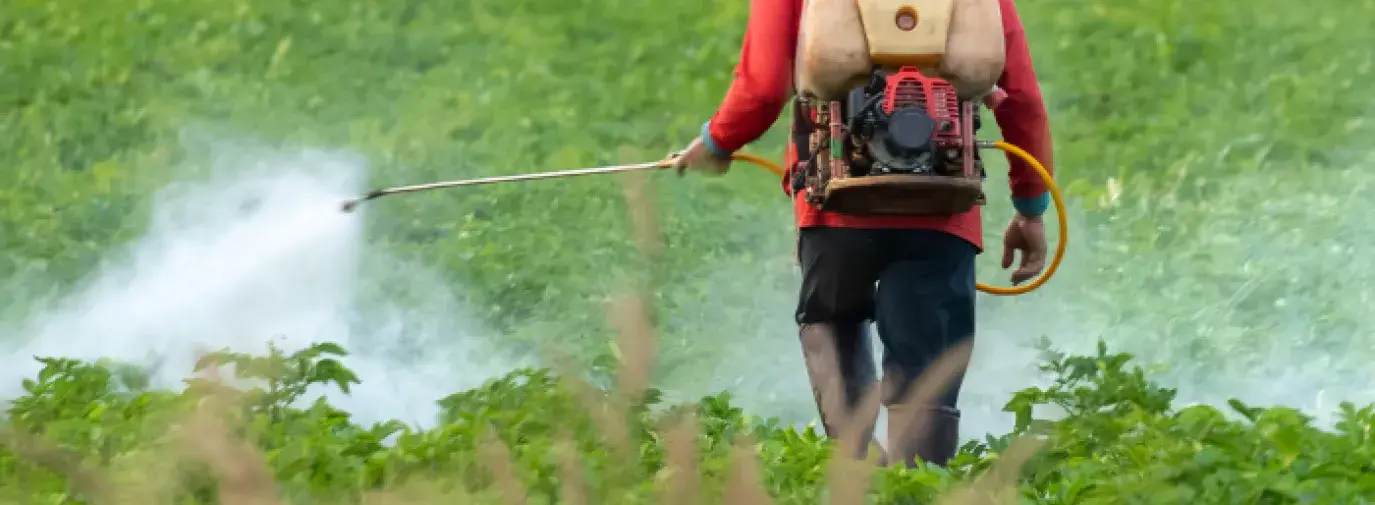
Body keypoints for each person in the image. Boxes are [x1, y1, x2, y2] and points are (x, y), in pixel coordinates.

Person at [672, 0, 1055, 467]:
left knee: (832, 320)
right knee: (928, 361)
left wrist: (717, 141)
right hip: (941, 201)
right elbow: (1022, 98)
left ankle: (857, 473)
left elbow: (763, 86)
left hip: (834, 198)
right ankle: (917, 489)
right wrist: (1030, 208)